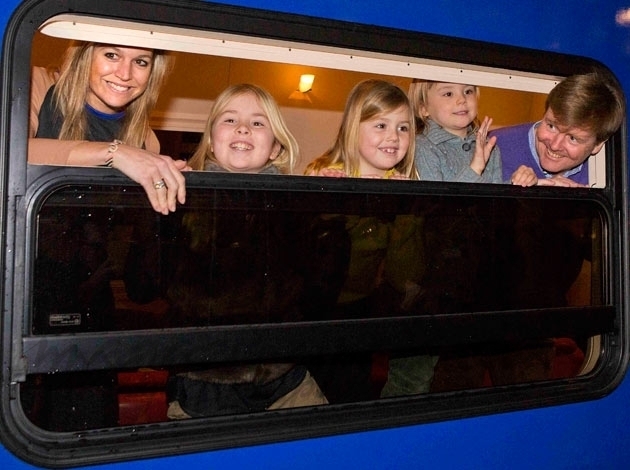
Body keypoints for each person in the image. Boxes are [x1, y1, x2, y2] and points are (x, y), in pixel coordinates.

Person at [125, 83, 328, 419]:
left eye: (259, 123)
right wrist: (161, 214)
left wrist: (332, 212)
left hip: (286, 383)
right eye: (229, 120)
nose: (243, 128)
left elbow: (320, 295)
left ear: (277, 147)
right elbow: (141, 287)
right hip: (201, 386)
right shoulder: (183, 202)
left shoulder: (297, 209)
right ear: (211, 142)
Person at [305, 79, 432, 401]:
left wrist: (405, 210)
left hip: (361, 317)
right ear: (353, 127)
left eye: (404, 128)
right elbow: (313, 263)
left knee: (351, 396)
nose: (394, 137)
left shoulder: (403, 184)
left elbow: (405, 275)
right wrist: (336, 205)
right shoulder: (323, 175)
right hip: (314, 315)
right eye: (381, 125)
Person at [29, 41, 188, 215]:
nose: (125, 74)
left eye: (140, 62)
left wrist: (171, 179)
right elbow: (11, 151)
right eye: (111, 55)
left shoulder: (145, 138)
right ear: (84, 54)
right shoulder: (37, 84)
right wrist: (114, 153)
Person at [493, 71, 625, 187]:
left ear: (597, 145)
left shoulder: (607, 173)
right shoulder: (494, 147)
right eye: (551, 126)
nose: (555, 145)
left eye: (572, 138)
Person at [408, 79, 502, 183]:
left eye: (468, 91)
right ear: (423, 108)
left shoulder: (488, 146)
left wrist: (515, 184)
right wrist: (475, 169)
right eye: (448, 94)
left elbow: (496, 194)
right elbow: (437, 198)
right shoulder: (422, 146)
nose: (462, 99)